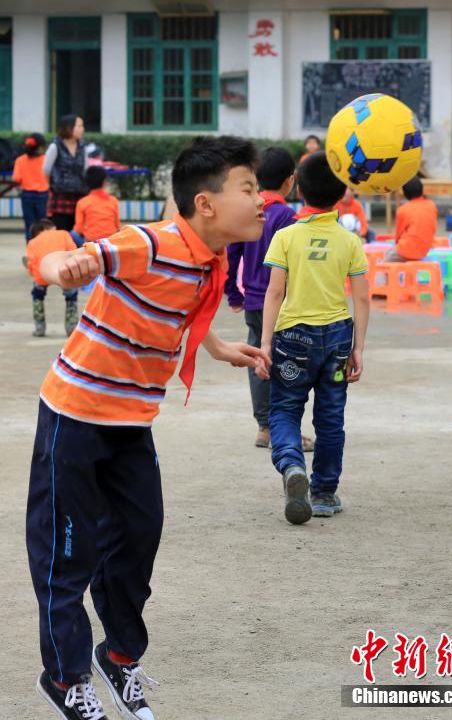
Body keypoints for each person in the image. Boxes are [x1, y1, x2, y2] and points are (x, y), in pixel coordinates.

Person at [27, 136, 271, 720]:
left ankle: (119, 656)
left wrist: (215, 347)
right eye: (248, 188)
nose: (261, 200)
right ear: (206, 204)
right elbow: (53, 256)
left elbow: (183, 305)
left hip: (132, 422)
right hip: (75, 416)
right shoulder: (148, 241)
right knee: (68, 553)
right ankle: (65, 678)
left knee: (137, 542)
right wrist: (66, 265)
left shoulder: (207, 256)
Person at [258, 151, 370, 524]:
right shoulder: (350, 241)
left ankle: (292, 466)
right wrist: (359, 347)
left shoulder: (286, 236)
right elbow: (362, 296)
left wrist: (265, 343)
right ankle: (323, 492)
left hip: (292, 335)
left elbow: (275, 292)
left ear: (298, 188)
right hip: (338, 336)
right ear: (341, 194)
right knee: (330, 417)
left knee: (286, 408)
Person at [225, 146, 314, 452]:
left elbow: (231, 254)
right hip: (283, 303)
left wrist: (233, 293)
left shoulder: (251, 211)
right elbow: (295, 265)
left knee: (258, 359)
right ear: (291, 181)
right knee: (288, 365)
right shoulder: (288, 217)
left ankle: (264, 427)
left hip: (252, 300)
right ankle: (284, 430)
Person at [25, 220, 79, 337]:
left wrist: (35, 275)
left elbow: (31, 263)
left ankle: (39, 327)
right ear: (50, 227)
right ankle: (71, 327)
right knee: (71, 296)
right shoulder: (63, 234)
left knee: (37, 296)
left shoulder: (32, 242)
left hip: (42, 274)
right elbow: (73, 251)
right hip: (64, 273)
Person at [44, 114, 87, 231]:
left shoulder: (83, 147)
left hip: (79, 195)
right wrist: (55, 186)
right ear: (69, 128)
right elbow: (46, 170)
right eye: (79, 126)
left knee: (76, 232)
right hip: (60, 196)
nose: (82, 129)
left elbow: (85, 169)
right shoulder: (55, 146)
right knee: (61, 231)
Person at [384, 177, 437, 262]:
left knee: (386, 261)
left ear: (405, 193)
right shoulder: (432, 206)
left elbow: (398, 234)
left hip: (405, 249)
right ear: (421, 190)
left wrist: (396, 245)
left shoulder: (403, 209)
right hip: (424, 250)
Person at [12, 133, 49, 241]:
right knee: (44, 224)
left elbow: (16, 179)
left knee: (30, 224)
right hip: (43, 196)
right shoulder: (45, 159)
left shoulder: (20, 160)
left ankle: (30, 252)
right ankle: (43, 251)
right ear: (40, 147)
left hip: (27, 195)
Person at [72, 165, 120, 245]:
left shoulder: (82, 202)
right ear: (105, 181)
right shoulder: (113, 200)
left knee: (72, 233)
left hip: (92, 242)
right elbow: (117, 225)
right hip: (110, 241)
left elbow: (79, 229)